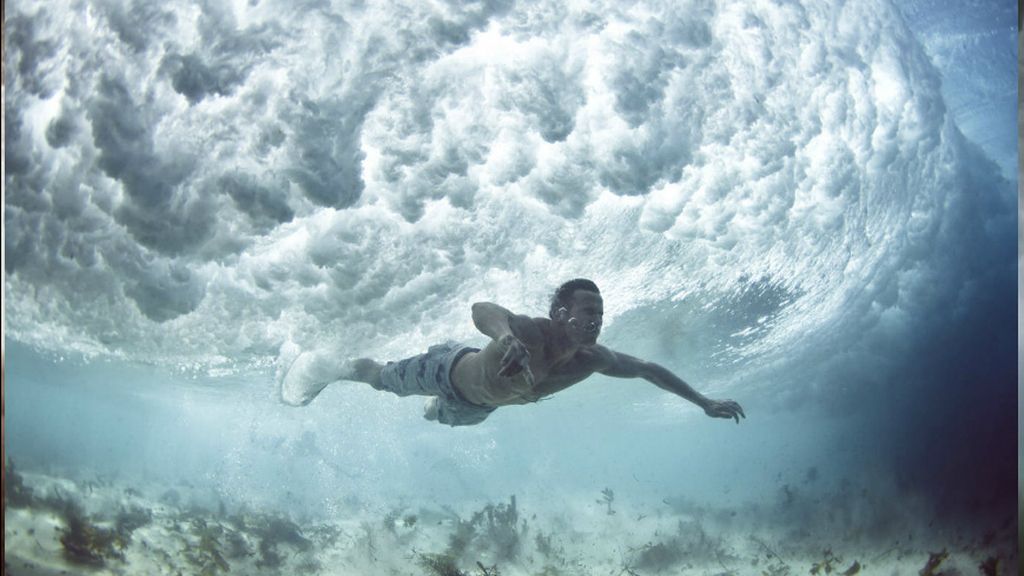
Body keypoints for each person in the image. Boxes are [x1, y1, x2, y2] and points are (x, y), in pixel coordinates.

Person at [279, 278, 745, 427]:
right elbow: (483, 309)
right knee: (381, 380)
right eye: (586, 311)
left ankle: (433, 409)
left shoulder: (594, 360)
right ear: (560, 312)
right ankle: (332, 368)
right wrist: (506, 338)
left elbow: (647, 370)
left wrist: (703, 402)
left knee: (432, 418)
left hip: (478, 409)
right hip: (448, 371)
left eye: (600, 314)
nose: (595, 321)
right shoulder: (530, 332)